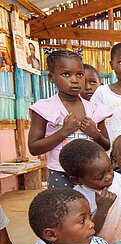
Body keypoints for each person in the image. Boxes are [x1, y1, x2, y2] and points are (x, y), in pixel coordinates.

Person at [28, 50, 111, 188]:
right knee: (64, 208)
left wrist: (96, 135)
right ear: (51, 77)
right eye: (66, 74)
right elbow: (34, 148)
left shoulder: (95, 110)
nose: (74, 80)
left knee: (95, 208)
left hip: (93, 175)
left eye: (79, 74)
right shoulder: (45, 109)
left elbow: (106, 146)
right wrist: (63, 132)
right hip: (60, 173)